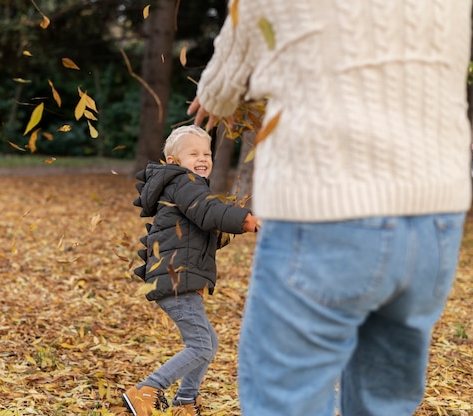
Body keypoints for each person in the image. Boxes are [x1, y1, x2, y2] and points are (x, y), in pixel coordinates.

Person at [187, 1, 472, 415]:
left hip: (327, 201)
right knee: (385, 401)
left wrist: (214, 90)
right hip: (435, 212)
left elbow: (243, 29)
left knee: (287, 400)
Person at [123, 125, 258, 416]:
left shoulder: (186, 188)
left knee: (208, 342)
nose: (202, 158)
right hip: (175, 279)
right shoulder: (184, 183)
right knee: (199, 345)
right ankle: (147, 390)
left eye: (206, 153)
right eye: (193, 153)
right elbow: (210, 212)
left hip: (177, 278)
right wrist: (243, 219)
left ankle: (186, 401)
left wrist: (230, 229)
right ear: (173, 161)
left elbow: (204, 227)